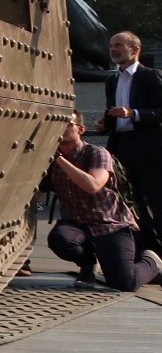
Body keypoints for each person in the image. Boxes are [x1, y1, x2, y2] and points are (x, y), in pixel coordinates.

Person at [46, 117, 162, 292]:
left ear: (81, 129)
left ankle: (152, 261)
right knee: (59, 239)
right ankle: (88, 263)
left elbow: (92, 185)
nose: (62, 128)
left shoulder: (97, 153)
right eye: (58, 124)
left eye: (68, 124)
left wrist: (60, 160)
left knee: (125, 283)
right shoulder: (49, 159)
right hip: (76, 224)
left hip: (109, 225)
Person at [93, 30, 162, 251]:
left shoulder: (150, 76)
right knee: (130, 203)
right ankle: (148, 252)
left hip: (148, 148)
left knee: (155, 199)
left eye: (119, 45)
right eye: (112, 46)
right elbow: (113, 112)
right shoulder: (111, 80)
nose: (113, 49)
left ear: (135, 50)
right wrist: (106, 124)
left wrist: (134, 114)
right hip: (122, 147)